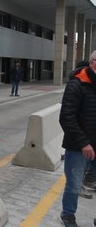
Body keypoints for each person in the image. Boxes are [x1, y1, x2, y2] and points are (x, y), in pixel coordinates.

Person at [59, 51, 96, 227]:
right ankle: (68, 215)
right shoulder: (77, 84)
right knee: (74, 185)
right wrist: (84, 143)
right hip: (78, 147)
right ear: (93, 63)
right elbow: (66, 117)